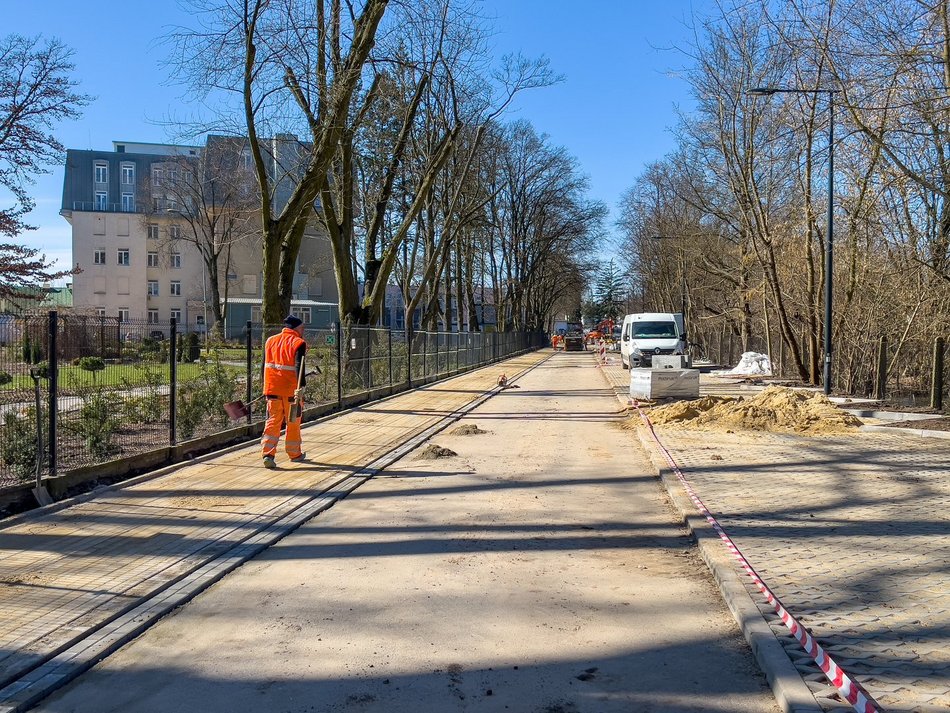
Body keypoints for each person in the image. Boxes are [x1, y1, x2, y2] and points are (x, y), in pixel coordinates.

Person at [261, 315, 308, 468]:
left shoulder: (270, 341)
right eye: (302, 328)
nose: (303, 331)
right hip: (291, 392)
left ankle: (268, 454)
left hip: (272, 389)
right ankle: (294, 454)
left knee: (273, 421)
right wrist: (301, 387)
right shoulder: (298, 343)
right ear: (295, 328)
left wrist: (265, 386)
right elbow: (298, 367)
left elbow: (265, 365)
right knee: (292, 421)